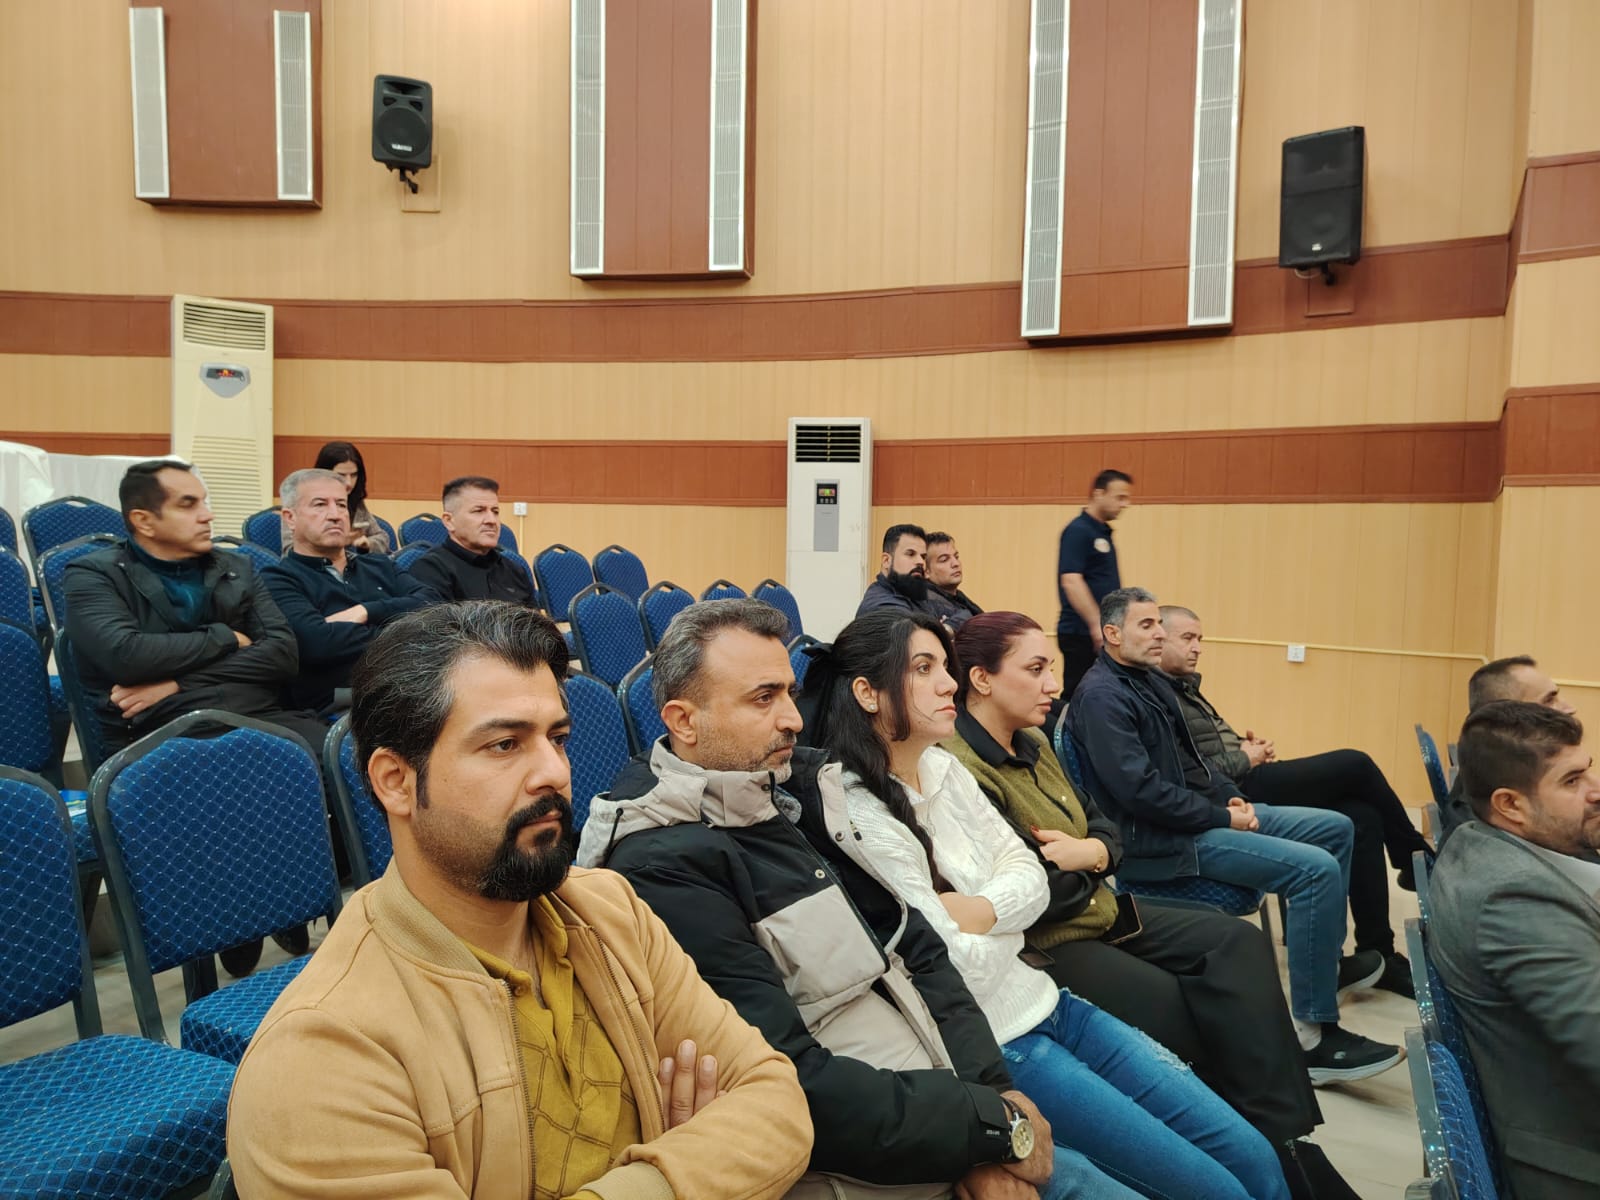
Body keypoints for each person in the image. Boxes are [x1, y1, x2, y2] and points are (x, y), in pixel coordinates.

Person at [227, 600, 813, 1198]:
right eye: (505, 744)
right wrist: (685, 1169)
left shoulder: (611, 911)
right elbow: (744, 1138)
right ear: (395, 781)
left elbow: (776, 1102)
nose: (554, 773)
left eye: (557, 738)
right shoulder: (321, 1059)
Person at [580, 599, 1121, 1199]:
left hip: (949, 1111)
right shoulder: (662, 865)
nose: (792, 718)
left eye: (789, 693)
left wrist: (995, 1101)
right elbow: (789, 1077)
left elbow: (922, 953)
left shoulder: (799, 795)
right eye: (763, 699)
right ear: (684, 721)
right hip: (875, 1171)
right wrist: (985, 1131)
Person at [810, 608, 1292, 1200]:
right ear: (867, 693)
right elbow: (952, 968)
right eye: (924, 668)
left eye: (946, 666)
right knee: (1221, 1190)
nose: (948, 684)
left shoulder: (942, 768)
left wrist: (984, 913)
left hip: (1051, 1001)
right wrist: (1009, 911)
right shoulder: (859, 816)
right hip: (1001, 1044)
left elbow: (1032, 880)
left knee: (1256, 1157)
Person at [948, 612, 1359, 1199]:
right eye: (1035, 670)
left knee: (1238, 943)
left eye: (1051, 669)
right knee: (1180, 1007)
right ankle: (1266, 1154)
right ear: (982, 679)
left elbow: (1100, 826)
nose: (1052, 685)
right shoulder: (965, 766)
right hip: (1054, 939)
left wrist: (1091, 854)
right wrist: (1094, 859)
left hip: (1102, 907)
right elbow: (1035, 892)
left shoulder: (1035, 740)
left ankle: (1282, 1138)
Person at [1068, 588, 1404, 1085]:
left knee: (1337, 828)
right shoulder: (1102, 697)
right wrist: (1221, 818)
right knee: (1315, 870)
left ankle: (1323, 969)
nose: (1159, 634)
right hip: (1158, 844)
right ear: (1113, 634)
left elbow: (1195, 763)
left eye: (1160, 623)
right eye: (1147, 625)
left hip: (1195, 819)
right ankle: (1313, 1037)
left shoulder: (1150, 681)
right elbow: (1140, 793)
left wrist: (1230, 798)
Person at [64, 459, 330, 963]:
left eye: (204, 502)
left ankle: (284, 905)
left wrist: (176, 682)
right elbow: (125, 654)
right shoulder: (94, 574)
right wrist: (226, 636)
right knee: (234, 773)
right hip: (160, 732)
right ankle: (252, 916)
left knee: (348, 758)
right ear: (144, 520)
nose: (207, 514)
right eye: (188, 504)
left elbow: (283, 654)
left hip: (259, 716)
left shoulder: (236, 567)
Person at [1158, 605, 1429, 998]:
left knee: (1363, 816)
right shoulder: (1156, 696)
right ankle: (1412, 856)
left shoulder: (1184, 687)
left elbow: (1207, 749)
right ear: (1158, 638)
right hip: (1236, 794)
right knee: (1356, 764)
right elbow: (1189, 772)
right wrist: (1244, 758)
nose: (1197, 647)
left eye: (1200, 639)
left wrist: (1245, 746)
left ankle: (1379, 950)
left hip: (1243, 776)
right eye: (1187, 638)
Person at [1429, 701, 1600, 1200]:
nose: (1595, 790)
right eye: (1572, 781)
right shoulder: (1513, 900)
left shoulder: (1481, 840)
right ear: (1511, 805)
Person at [262, 468, 431, 714]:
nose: (335, 515)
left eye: (341, 505)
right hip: (343, 705)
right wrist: (405, 629)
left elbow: (432, 604)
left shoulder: (380, 564)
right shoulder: (278, 578)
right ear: (290, 518)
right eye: (320, 504)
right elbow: (318, 644)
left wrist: (365, 611)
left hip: (416, 690)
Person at [1437, 655, 1577, 844]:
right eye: (1549, 700)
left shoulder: (1496, 774)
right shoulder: (1484, 832)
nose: (1569, 708)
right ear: (1506, 715)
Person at [1056, 469, 1131, 699]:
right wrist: (1095, 624)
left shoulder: (1102, 532)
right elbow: (1071, 580)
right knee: (1079, 695)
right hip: (1081, 633)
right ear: (1099, 494)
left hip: (1100, 630)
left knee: (1102, 694)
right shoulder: (1079, 530)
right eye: (1120, 497)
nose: (1125, 504)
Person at [407, 475, 536, 605]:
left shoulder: (514, 570)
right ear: (449, 521)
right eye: (479, 511)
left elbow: (535, 618)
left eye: (495, 511)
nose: (492, 520)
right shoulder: (430, 570)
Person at [280, 441, 390, 555]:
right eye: (341, 475)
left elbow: (382, 537)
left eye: (353, 475)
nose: (348, 483)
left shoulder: (354, 500)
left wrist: (366, 544)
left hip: (349, 563)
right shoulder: (299, 499)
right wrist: (335, 542)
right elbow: (289, 549)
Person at [856, 523, 944, 621]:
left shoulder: (912, 593)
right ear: (886, 561)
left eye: (923, 557)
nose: (920, 562)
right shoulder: (882, 606)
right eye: (910, 554)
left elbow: (954, 611)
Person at [923, 532, 983, 631]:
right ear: (926, 571)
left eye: (956, 557)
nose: (955, 563)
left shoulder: (960, 599)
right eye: (944, 560)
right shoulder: (927, 603)